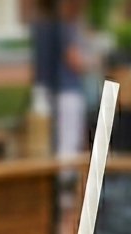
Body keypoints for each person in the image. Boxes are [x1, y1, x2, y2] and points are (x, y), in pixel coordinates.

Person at [31, 0, 87, 159]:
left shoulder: (41, 24)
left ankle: (60, 179)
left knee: (54, 142)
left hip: (48, 90)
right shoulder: (66, 25)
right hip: (68, 89)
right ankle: (67, 180)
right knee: (68, 143)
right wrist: (92, 63)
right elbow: (73, 59)